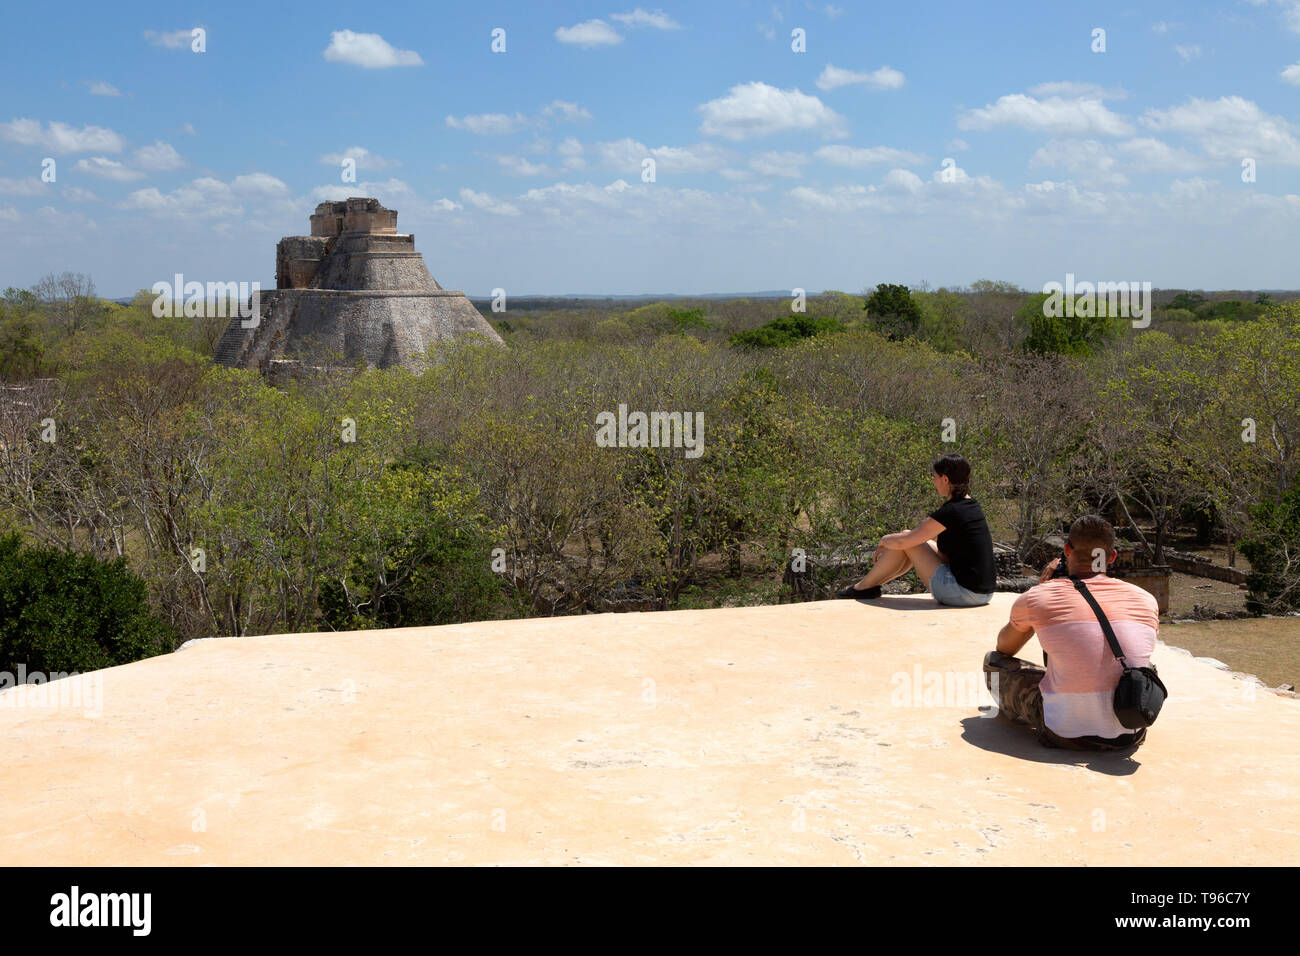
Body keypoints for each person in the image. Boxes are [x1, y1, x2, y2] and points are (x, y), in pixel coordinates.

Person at [983, 514, 1158, 751]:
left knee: (992, 663)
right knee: (1145, 665)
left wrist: (1041, 592)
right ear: (1112, 557)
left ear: (1066, 550)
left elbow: (1005, 648)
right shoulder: (1146, 600)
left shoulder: (1040, 597)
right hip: (1130, 732)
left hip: (1064, 734)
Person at [835, 453, 995, 607]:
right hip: (982, 593)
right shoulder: (971, 505)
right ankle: (868, 586)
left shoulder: (952, 511)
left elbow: (905, 541)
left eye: (935, 477)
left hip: (964, 594)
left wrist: (884, 540)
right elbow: (945, 555)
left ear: (945, 479)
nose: (933, 482)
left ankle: (862, 588)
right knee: (909, 538)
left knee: (907, 540)